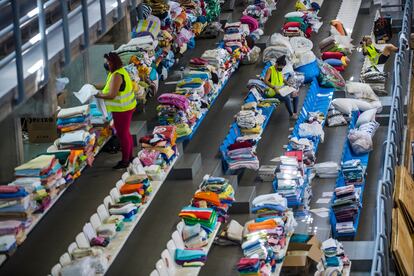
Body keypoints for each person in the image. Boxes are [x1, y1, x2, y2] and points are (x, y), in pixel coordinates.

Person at [95, 52, 137, 169]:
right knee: (126, 133)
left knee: (122, 135)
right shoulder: (117, 72)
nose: (106, 65)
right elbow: (109, 87)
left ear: (113, 62)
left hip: (122, 110)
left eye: (107, 62)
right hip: (124, 108)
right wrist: (93, 87)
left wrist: (97, 95)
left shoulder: (117, 75)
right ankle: (130, 157)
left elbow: (112, 94)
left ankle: (125, 161)